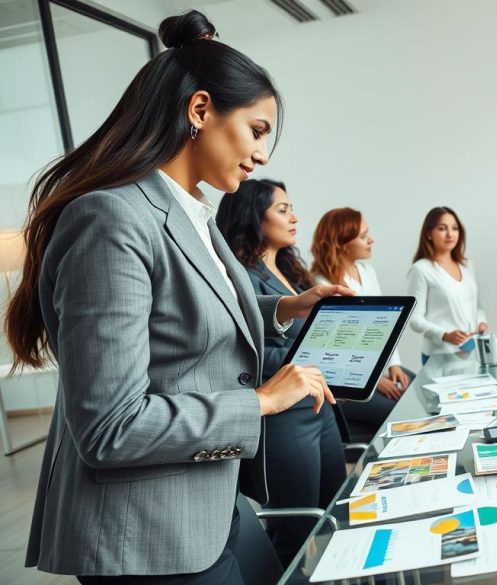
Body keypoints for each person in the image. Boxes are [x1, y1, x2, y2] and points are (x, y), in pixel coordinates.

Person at [3, 11, 352, 583]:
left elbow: (183, 318)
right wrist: (261, 401)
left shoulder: (189, 212)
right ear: (200, 111)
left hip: (205, 507)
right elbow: (110, 426)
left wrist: (286, 307)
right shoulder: (110, 219)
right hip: (141, 534)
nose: (263, 155)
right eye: (258, 130)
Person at [215, 178, 346, 566]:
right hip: (285, 416)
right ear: (254, 217)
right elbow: (241, 353)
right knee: (297, 533)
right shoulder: (239, 274)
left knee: (334, 515)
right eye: (283, 210)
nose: (294, 218)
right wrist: (310, 361)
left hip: (319, 408)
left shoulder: (294, 272)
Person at [309, 207, 412, 438]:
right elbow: (336, 348)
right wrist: (376, 382)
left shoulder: (367, 271)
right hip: (350, 382)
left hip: (379, 369)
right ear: (343, 242)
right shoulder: (320, 283)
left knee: (419, 392)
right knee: (402, 413)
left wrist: (394, 364)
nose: (371, 240)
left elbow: (384, 326)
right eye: (364, 236)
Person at [407, 207, 487, 362]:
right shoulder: (421, 269)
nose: (450, 234)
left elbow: (477, 304)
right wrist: (444, 335)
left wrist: (481, 322)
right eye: (442, 228)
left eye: (455, 228)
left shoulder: (467, 265)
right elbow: (414, 319)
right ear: (429, 234)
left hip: (471, 351)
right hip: (439, 355)